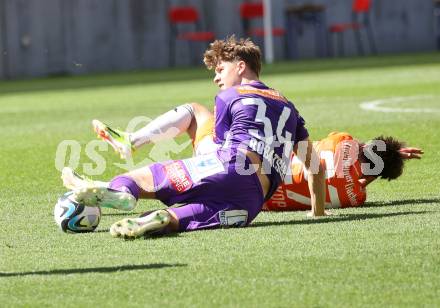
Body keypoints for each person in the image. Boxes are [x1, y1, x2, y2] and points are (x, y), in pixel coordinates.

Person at [64, 36, 326, 239]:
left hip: (230, 166)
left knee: (191, 115)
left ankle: (122, 189)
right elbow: (315, 166)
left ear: (241, 67)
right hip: (252, 201)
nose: (216, 78)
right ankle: (159, 218)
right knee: (177, 218)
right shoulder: (289, 108)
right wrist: (318, 212)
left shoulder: (229, 97)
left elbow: (217, 149)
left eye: (221, 70)